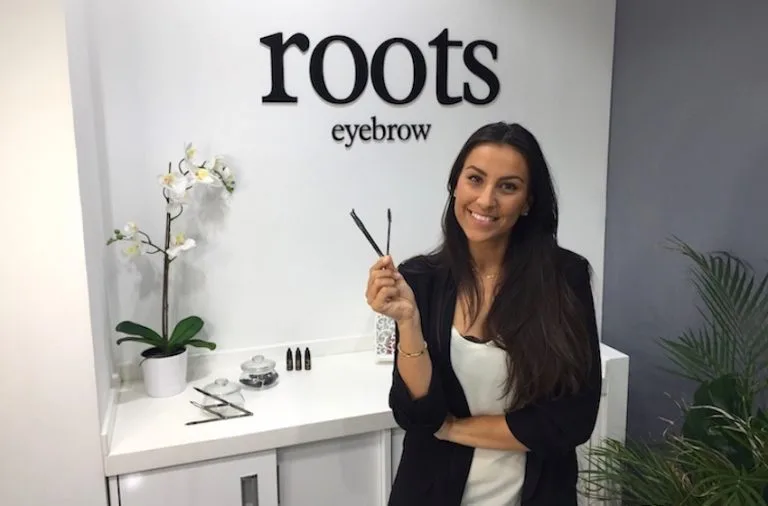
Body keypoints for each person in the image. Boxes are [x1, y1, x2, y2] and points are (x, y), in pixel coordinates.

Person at [365, 122, 602, 505]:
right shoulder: (420, 279)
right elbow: (417, 416)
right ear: (455, 185)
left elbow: (572, 420)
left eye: (508, 186)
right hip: (431, 491)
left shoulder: (564, 278)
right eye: (475, 179)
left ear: (528, 202)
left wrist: (454, 429)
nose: (486, 200)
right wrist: (408, 321)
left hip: (538, 492)